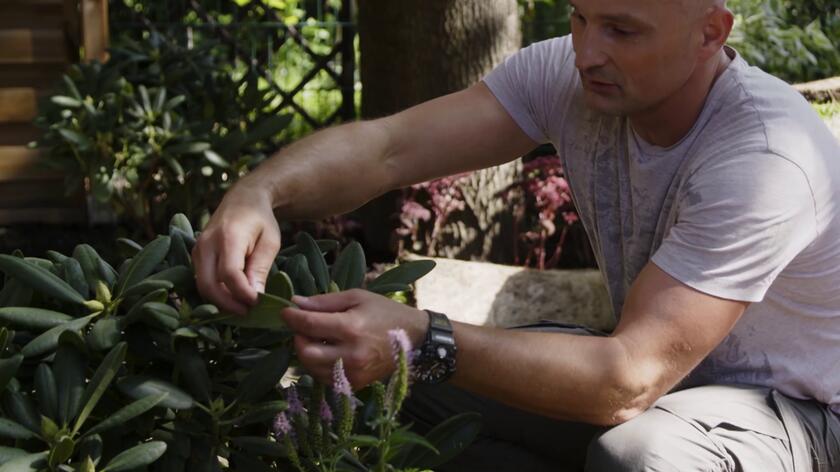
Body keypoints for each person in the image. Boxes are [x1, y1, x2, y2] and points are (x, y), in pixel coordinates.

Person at [192, 0, 840, 470]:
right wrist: (259, 194)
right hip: (666, 377)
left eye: (621, 29)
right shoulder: (571, 76)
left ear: (710, 33)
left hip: (802, 412)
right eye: (579, 17)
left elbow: (628, 378)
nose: (587, 53)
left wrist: (425, 338)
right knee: (362, 407)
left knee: (643, 458)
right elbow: (390, 148)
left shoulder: (763, 158)